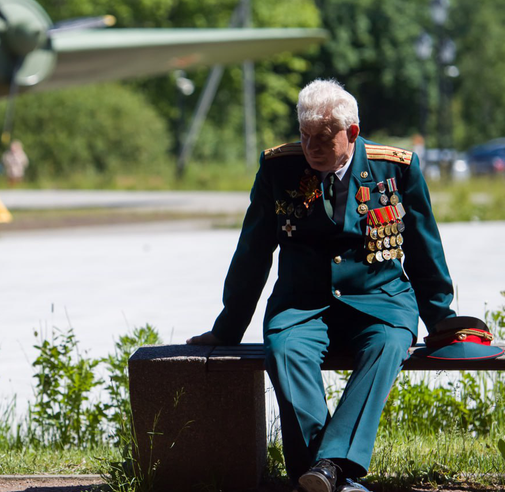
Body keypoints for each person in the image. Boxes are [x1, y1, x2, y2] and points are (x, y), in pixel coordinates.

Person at [187, 79, 458, 492]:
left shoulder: (395, 167)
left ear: (351, 132)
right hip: (302, 304)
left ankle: (324, 469)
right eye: (304, 134)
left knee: (386, 346)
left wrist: (442, 321)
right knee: (284, 349)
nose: (311, 146)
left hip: (381, 301)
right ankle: (336, 476)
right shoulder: (279, 167)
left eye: (323, 137)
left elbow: (424, 249)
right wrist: (228, 329)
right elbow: (253, 251)